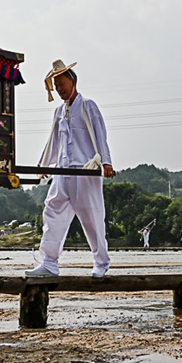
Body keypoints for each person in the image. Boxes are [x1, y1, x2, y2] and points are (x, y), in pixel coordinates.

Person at [26, 60, 115, 278]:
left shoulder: (88, 106)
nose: (59, 90)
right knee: (52, 210)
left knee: (91, 216)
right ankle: (49, 262)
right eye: (56, 86)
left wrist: (106, 162)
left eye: (62, 84)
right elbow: (53, 141)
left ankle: (101, 262)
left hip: (85, 169)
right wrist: (45, 164)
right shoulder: (58, 111)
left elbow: (100, 134)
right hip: (63, 170)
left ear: (72, 81)